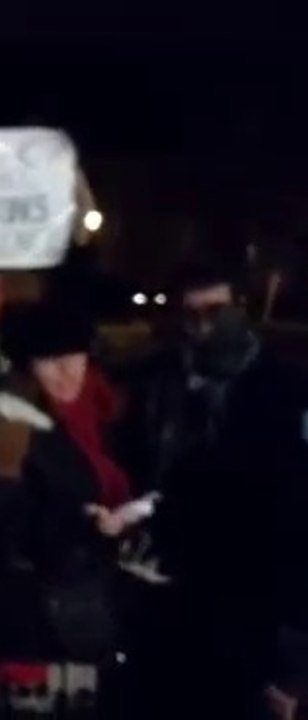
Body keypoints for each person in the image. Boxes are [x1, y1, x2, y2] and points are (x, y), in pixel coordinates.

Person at [121, 259, 308, 719]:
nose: (203, 325)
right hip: (162, 583)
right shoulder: (157, 379)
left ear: (239, 308)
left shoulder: (283, 386)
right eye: (192, 313)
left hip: (247, 591)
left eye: (216, 310)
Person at [0, 302, 139, 717]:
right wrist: (83, 524)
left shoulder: (93, 414)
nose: (67, 372)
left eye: (74, 358)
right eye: (51, 361)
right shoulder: (7, 424)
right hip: (28, 618)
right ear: (26, 365)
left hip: (76, 607)